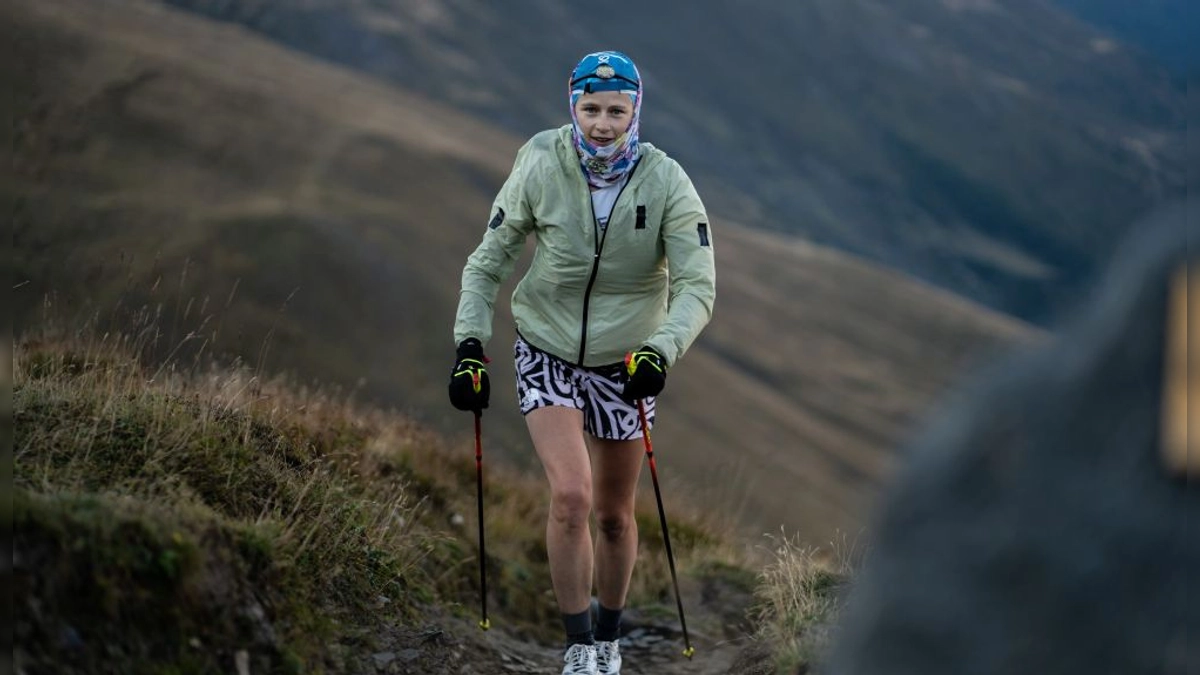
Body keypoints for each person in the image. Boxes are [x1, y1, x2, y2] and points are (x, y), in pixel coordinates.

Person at [447, 50, 716, 675]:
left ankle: (610, 637)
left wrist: (659, 351)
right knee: (570, 495)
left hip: (627, 364)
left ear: (635, 111)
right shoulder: (540, 161)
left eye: (615, 111)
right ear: (573, 106)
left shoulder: (667, 181)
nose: (601, 123)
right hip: (545, 349)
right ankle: (577, 646)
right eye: (590, 109)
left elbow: (698, 286)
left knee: (615, 517)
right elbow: (488, 260)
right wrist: (469, 346)